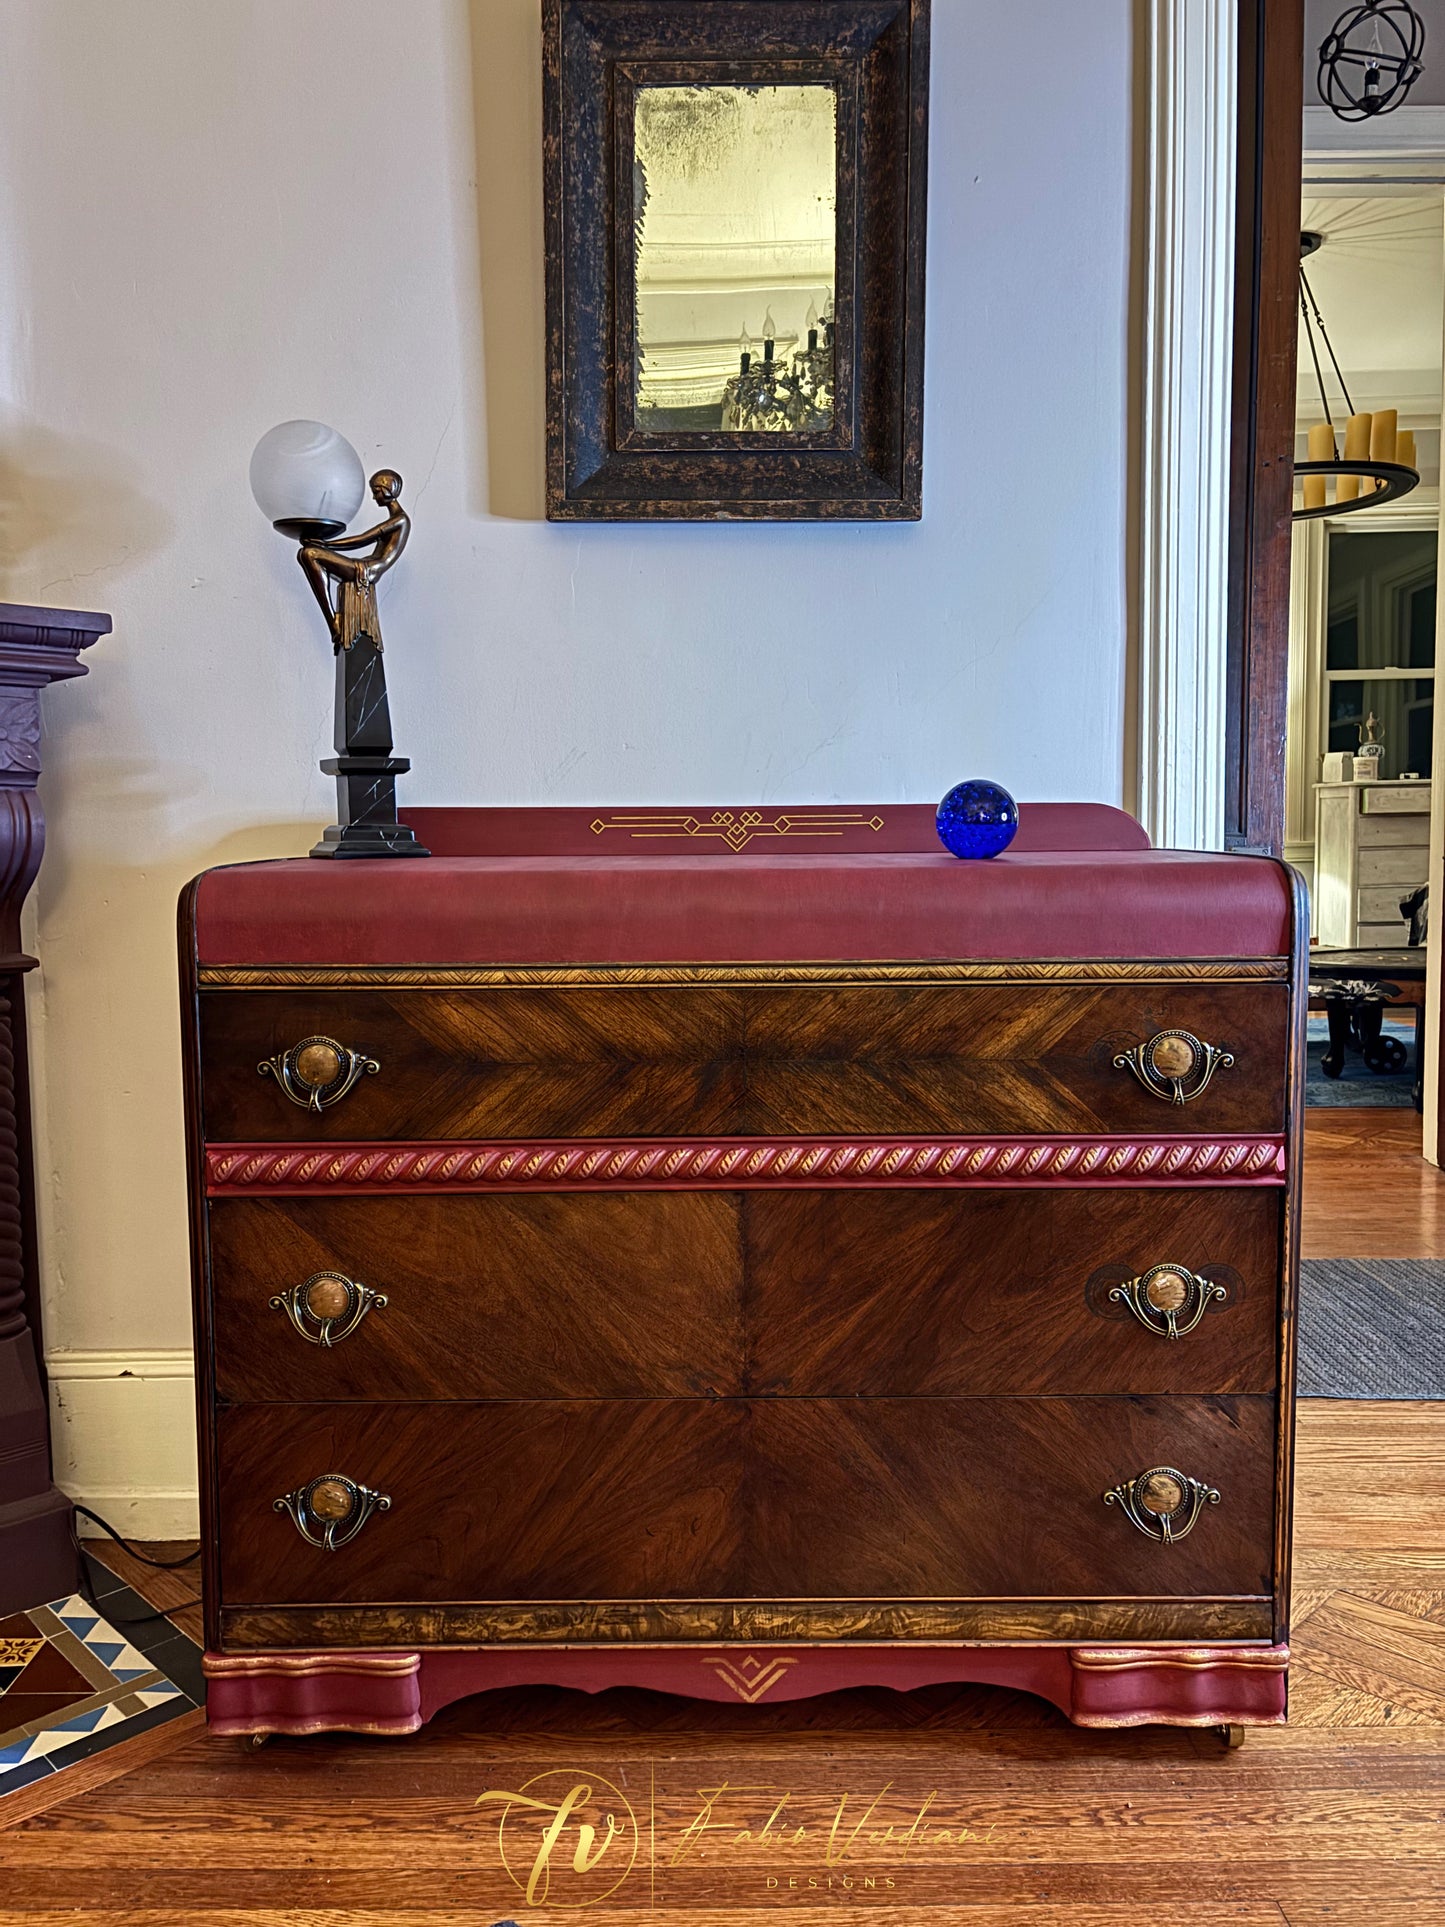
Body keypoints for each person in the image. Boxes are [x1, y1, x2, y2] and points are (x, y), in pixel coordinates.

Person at [298, 469, 409, 652]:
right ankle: (333, 620)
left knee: (310, 554)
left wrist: (326, 545)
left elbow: (363, 538)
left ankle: (334, 622)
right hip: (365, 565)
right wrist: (324, 545)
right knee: (304, 555)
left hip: (367, 570)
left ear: (389, 489)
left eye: (376, 491)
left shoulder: (400, 520)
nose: (374, 497)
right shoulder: (396, 519)